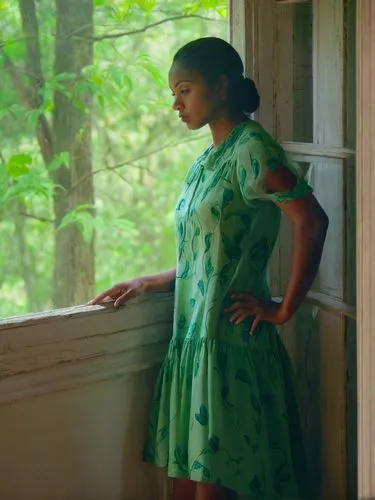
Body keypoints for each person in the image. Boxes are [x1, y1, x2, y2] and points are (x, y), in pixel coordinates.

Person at [89, 37, 328, 500]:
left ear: (220, 86)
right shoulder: (205, 161)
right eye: (173, 93)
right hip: (193, 345)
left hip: (230, 347)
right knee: (181, 489)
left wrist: (283, 308)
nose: (175, 104)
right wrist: (148, 281)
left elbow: (312, 221)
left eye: (184, 90)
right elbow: (207, 256)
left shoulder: (252, 149)